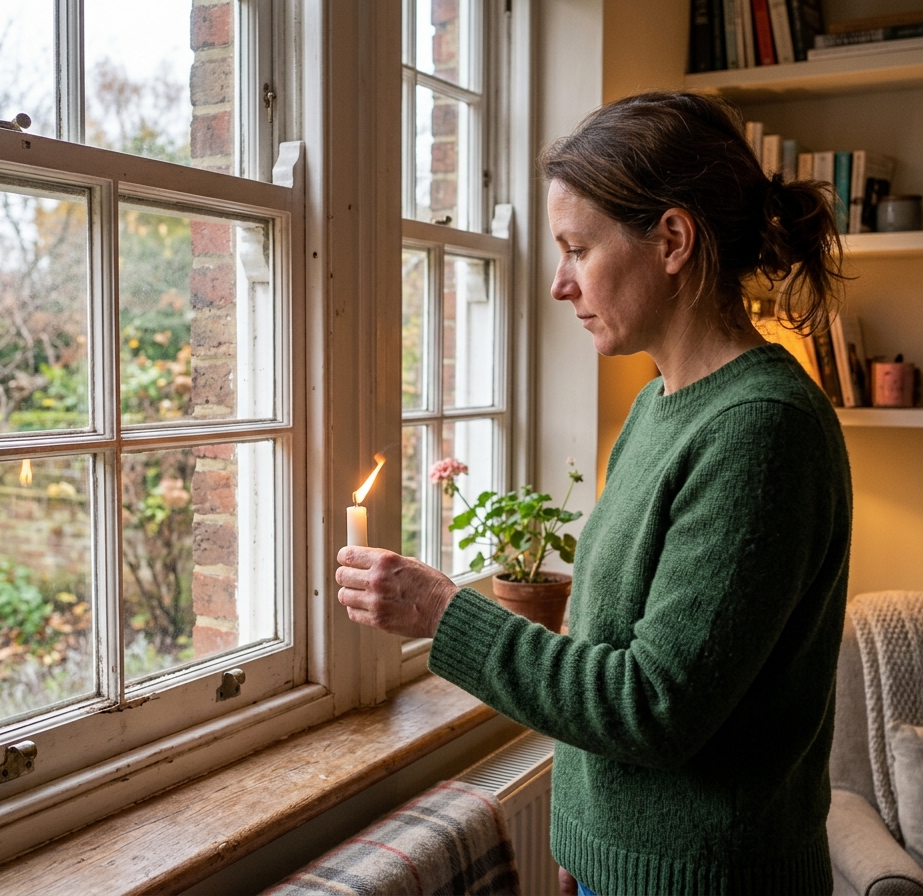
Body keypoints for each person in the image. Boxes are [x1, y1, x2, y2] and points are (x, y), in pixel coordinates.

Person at [336, 91, 851, 896]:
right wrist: (584, 842)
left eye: (578, 248)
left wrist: (444, 613)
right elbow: (608, 637)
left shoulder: (763, 432)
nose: (559, 285)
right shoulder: (657, 406)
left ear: (673, 240)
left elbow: (651, 706)